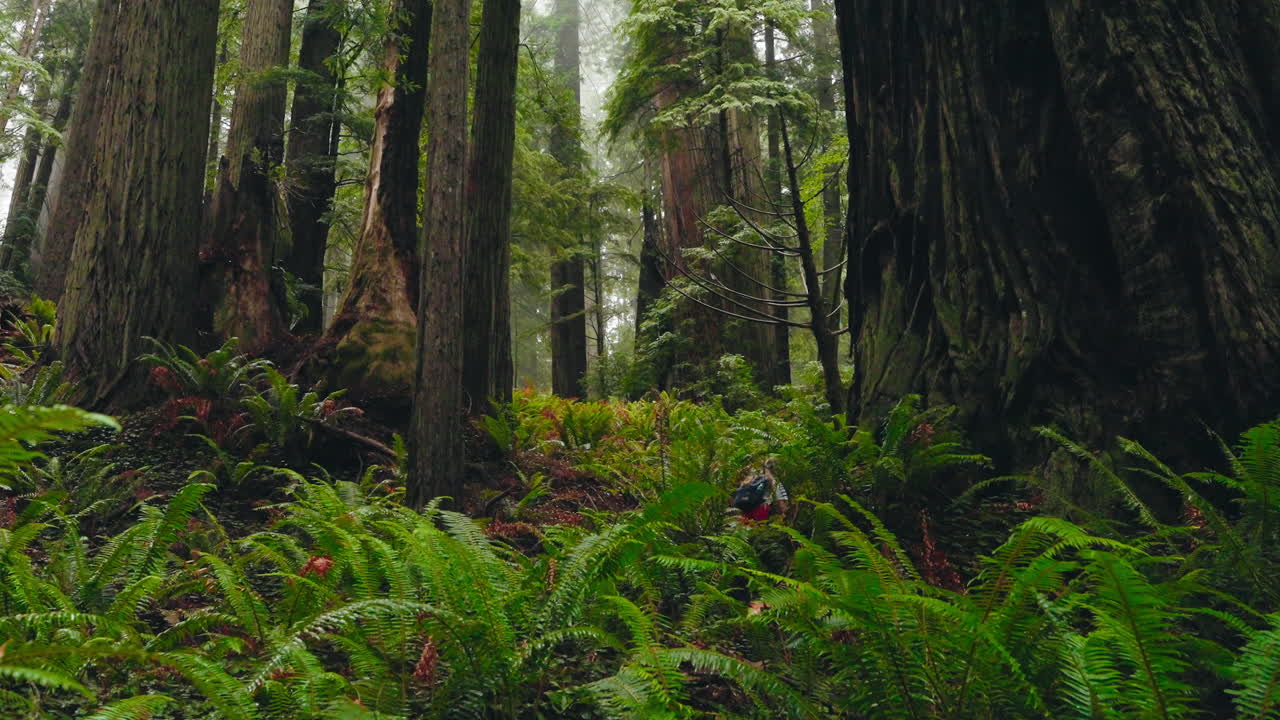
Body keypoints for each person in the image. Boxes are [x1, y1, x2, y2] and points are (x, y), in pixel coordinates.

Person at [731, 458, 788, 523]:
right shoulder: (774, 481)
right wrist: (783, 513)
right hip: (761, 510)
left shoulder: (753, 478)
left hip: (745, 508)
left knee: (745, 530)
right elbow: (781, 504)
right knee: (757, 530)